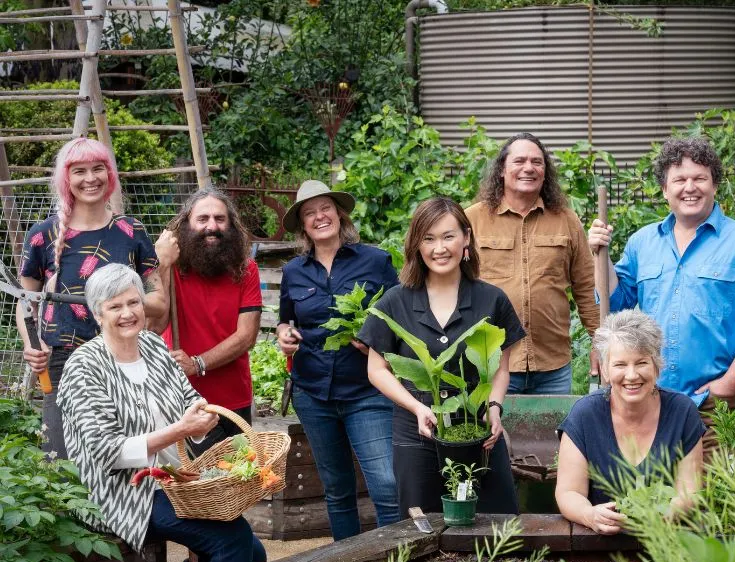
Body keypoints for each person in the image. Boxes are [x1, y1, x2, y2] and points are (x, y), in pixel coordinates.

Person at [57, 263, 266, 562]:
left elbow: (187, 397)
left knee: (254, 552)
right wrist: (181, 430)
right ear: (97, 314)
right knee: (233, 539)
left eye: (133, 302)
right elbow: (107, 452)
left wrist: (200, 416)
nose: (127, 313)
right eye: (115, 307)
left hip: (172, 482)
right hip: (123, 494)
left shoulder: (153, 347)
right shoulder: (84, 367)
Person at [588, 136, 735, 418]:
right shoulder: (643, 243)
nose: (690, 188)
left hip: (716, 406)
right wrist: (600, 254)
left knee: (711, 465)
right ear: (665, 189)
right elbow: (616, 303)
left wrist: (727, 385)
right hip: (653, 401)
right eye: (679, 180)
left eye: (700, 178)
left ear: (714, 185)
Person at [360, 196, 524, 516]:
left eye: (449, 236)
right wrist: (417, 407)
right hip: (417, 433)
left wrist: (494, 408)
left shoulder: (492, 299)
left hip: (478, 431)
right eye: (429, 239)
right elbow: (376, 369)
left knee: (496, 524)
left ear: (466, 238)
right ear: (416, 246)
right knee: (421, 529)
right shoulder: (395, 302)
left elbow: (502, 370)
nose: (440, 248)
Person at [17, 137, 165, 460]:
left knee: (126, 459)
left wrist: (120, 303)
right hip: (63, 362)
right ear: (66, 180)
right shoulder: (42, 235)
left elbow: (159, 301)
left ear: (109, 174)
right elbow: (24, 299)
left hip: (123, 358)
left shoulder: (131, 231)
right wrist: (31, 343)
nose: (90, 178)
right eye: (79, 171)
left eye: (98, 168)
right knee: (60, 461)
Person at [276, 180, 400, 541]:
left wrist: (378, 342)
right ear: (303, 225)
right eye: (310, 213)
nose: (319, 217)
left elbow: (400, 317)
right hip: (313, 393)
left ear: (339, 214)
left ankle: (394, 561)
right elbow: (287, 320)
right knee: (337, 488)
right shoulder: (293, 272)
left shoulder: (376, 261)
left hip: (367, 390)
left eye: (325, 208)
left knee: (386, 485)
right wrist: (284, 335)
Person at [465, 133, 599, 395]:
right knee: (494, 435)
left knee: (553, 436)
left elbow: (586, 286)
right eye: (519, 161)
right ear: (502, 170)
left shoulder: (567, 221)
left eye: (537, 162)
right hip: (491, 363)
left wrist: (600, 341)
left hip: (553, 367)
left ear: (545, 172)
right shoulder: (472, 220)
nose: (529, 168)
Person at [555, 310, 705, 534]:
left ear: (656, 366)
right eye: (620, 365)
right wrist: (590, 515)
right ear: (605, 370)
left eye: (642, 362)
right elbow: (568, 492)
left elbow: (689, 491)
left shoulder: (682, 412)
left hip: (667, 543)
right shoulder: (585, 415)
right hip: (599, 544)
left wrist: (662, 515)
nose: (632, 375)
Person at [151, 187, 261, 454]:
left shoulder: (246, 269)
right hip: (180, 398)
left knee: (235, 481)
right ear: (186, 225)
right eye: (203, 219)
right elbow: (155, 326)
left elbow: (246, 336)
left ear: (231, 225)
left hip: (232, 399)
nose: (212, 226)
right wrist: (164, 265)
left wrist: (197, 363)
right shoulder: (171, 268)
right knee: (190, 484)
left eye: (220, 219)